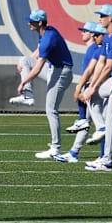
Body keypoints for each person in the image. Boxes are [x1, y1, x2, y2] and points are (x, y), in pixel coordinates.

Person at [9, 9, 73, 159]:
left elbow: (37, 69)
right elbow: (37, 52)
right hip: (53, 69)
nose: (28, 23)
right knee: (24, 60)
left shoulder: (49, 38)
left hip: (61, 72)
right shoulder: (45, 32)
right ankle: (28, 96)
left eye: (31, 21)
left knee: (51, 110)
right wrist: (26, 65)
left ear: (39, 23)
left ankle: (55, 148)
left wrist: (23, 82)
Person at [83, 4, 112, 171]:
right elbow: (101, 63)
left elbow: (109, 66)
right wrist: (91, 86)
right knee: (89, 93)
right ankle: (101, 127)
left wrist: (94, 86)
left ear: (111, 18)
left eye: (102, 15)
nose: (100, 18)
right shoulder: (108, 37)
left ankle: (108, 160)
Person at [53, 22, 107, 163]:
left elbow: (94, 71)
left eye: (85, 31)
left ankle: (111, 154)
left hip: (99, 89)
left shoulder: (96, 49)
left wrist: (85, 88)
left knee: (103, 126)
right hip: (94, 88)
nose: (82, 33)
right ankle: (74, 153)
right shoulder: (94, 49)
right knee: (93, 124)